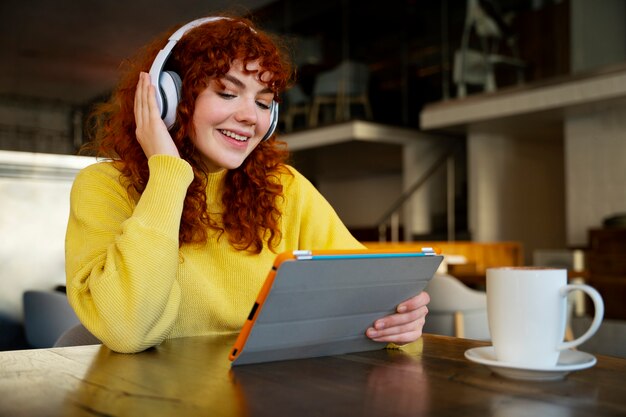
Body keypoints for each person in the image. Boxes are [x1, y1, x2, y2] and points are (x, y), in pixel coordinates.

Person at [65, 15, 430, 354]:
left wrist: (399, 321)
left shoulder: (285, 188)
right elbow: (129, 329)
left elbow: (371, 299)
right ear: (169, 98)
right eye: (227, 93)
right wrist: (167, 174)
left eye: (263, 102)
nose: (249, 116)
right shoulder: (105, 187)